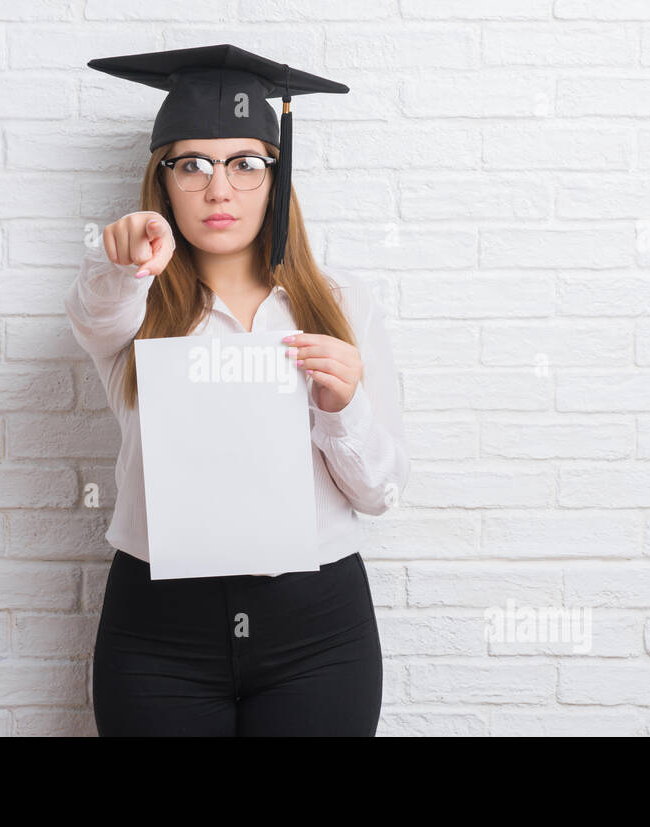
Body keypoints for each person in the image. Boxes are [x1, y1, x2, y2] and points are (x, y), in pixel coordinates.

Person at [66, 44, 410, 736]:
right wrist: (125, 260)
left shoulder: (342, 305)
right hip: (159, 633)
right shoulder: (132, 303)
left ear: (277, 179)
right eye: (191, 164)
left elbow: (379, 493)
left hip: (317, 632)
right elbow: (95, 309)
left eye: (245, 164)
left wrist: (342, 408)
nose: (218, 189)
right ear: (161, 182)